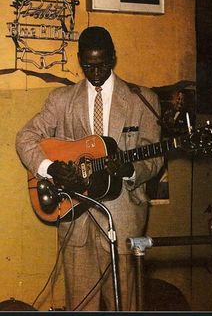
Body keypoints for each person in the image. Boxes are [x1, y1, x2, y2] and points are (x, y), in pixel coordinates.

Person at [16, 26, 163, 311]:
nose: (95, 72)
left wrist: (130, 170)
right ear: (79, 59)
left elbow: (154, 159)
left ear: (113, 57)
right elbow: (25, 137)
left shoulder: (142, 100)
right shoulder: (61, 100)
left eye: (102, 64)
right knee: (80, 307)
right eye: (88, 65)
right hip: (75, 220)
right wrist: (50, 168)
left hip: (122, 220)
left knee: (127, 305)